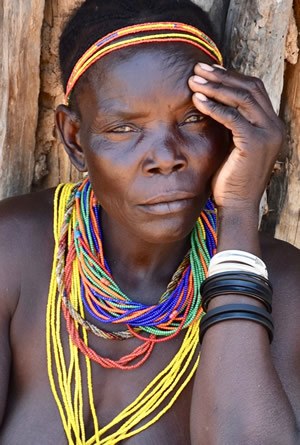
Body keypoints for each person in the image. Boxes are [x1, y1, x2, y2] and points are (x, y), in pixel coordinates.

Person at [0, 0, 299, 443]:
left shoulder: (286, 286)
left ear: (229, 130)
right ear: (75, 139)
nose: (165, 158)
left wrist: (238, 212)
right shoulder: (14, 250)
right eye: (124, 128)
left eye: (194, 120)